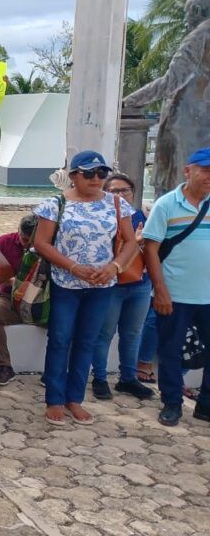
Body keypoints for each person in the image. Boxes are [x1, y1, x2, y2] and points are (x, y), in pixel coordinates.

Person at [33, 151, 138, 426]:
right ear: (73, 176)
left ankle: (74, 399)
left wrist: (114, 267)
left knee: (87, 341)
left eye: (101, 173)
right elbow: (41, 243)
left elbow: (130, 242)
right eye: (89, 173)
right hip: (65, 283)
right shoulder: (55, 204)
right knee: (60, 339)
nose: (96, 179)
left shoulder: (117, 204)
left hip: (102, 284)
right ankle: (55, 400)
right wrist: (73, 267)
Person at [142, 148, 210, 426]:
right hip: (176, 294)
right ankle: (171, 403)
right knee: (170, 351)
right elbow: (151, 250)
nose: (209, 177)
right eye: (205, 170)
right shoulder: (167, 205)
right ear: (188, 171)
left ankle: (205, 405)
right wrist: (160, 290)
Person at [90, 173, 155, 401]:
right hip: (111, 285)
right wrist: (133, 243)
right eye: (114, 191)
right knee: (104, 334)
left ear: (133, 193)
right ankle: (99, 378)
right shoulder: (101, 219)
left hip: (140, 284)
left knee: (132, 333)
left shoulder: (144, 217)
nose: (120, 195)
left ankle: (128, 379)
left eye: (124, 190)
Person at [0, 214, 38, 385]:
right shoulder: (5, 242)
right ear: (18, 230)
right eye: (23, 237)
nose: (25, 243)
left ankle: (54, 370)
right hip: (9, 296)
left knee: (66, 318)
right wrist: (16, 284)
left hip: (43, 300)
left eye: (30, 240)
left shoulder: (49, 246)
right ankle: (3, 367)